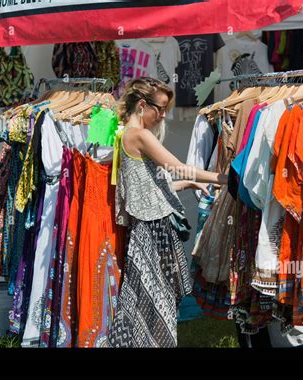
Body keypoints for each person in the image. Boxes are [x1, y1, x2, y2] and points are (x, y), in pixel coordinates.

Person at [107, 77, 228, 348]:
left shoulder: (124, 134)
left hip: (146, 225)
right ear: (142, 105)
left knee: (143, 296)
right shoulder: (140, 135)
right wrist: (222, 178)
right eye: (160, 108)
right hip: (154, 227)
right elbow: (177, 167)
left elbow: (149, 184)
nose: (163, 115)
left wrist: (189, 182)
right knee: (157, 297)